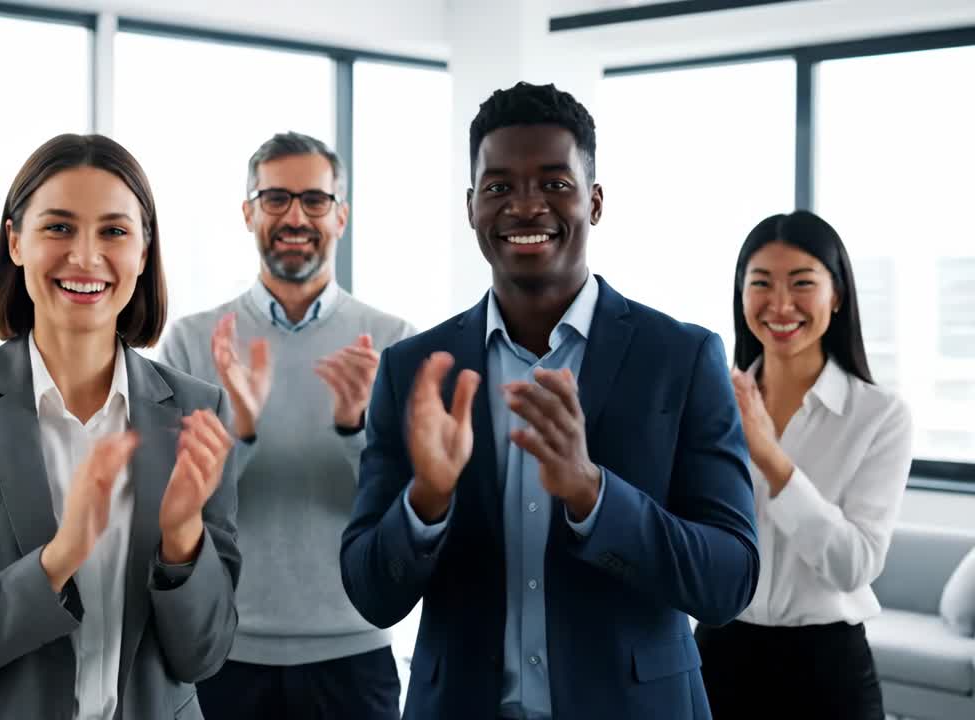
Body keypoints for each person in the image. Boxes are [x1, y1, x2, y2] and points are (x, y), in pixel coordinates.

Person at [339, 81, 761, 719]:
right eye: (500, 186)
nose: (526, 206)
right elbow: (371, 592)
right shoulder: (415, 371)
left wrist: (594, 495)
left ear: (594, 202)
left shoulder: (681, 357)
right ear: (471, 206)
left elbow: (729, 581)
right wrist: (426, 499)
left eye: (555, 184)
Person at [0, 133, 240, 719]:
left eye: (115, 232)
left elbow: (204, 656)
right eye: (59, 228)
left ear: (144, 252)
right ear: (15, 241)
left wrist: (181, 541)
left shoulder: (199, 413)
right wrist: (59, 557)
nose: (87, 257)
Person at [160, 131, 413, 720]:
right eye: (275, 199)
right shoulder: (194, 342)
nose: (295, 216)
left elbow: (405, 511)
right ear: (248, 212)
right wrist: (240, 429)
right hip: (225, 652)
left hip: (355, 653)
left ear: (341, 216)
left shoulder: (395, 341)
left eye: (314, 200)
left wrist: (355, 429)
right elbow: (170, 510)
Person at [695, 210, 913, 719]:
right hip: (718, 654)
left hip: (827, 667)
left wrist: (771, 459)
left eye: (802, 284)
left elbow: (854, 565)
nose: (780, 304)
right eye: (761, 284)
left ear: (836, 295)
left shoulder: (879, 416)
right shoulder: (710, 400)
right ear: (741, 295)